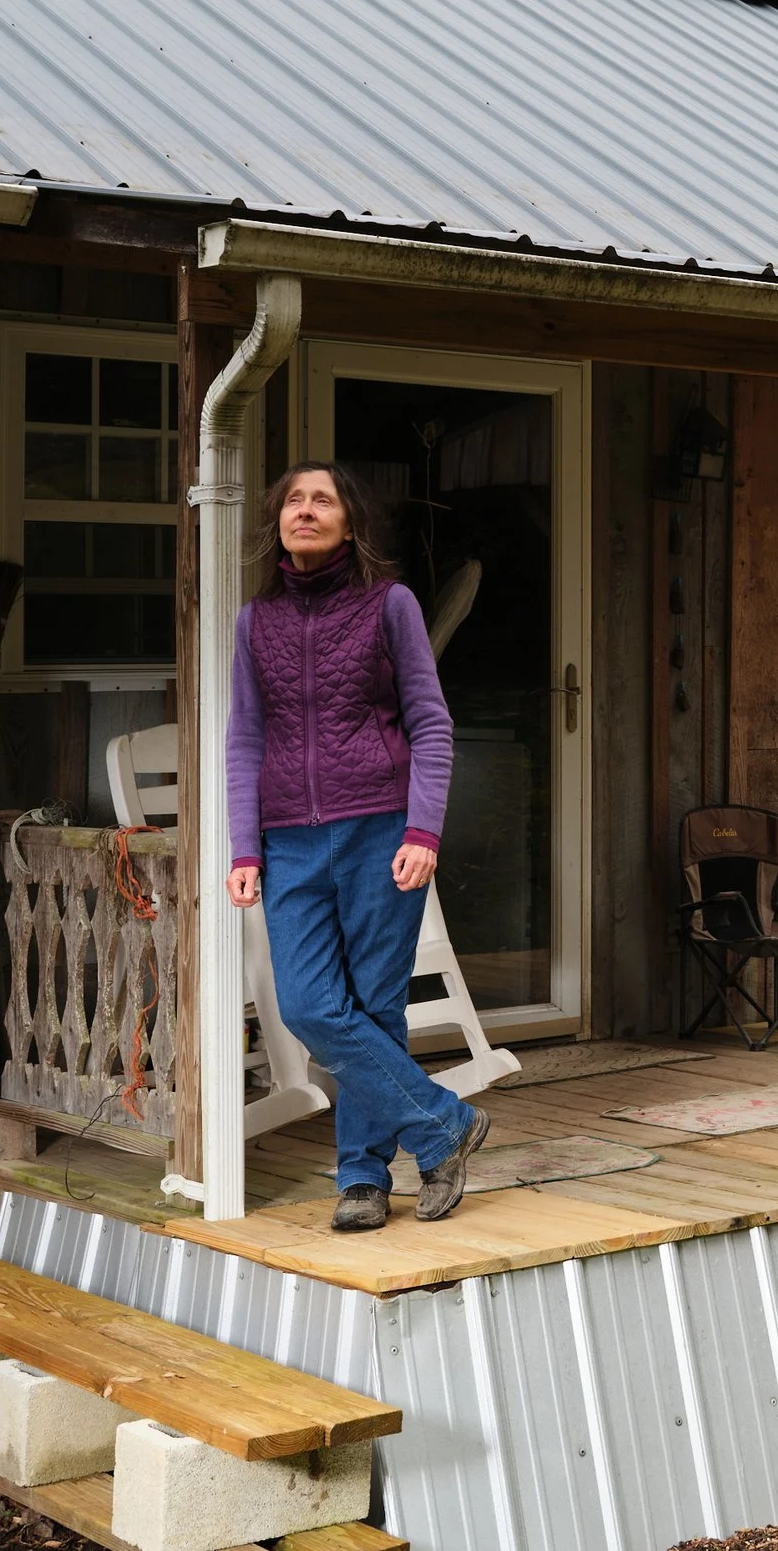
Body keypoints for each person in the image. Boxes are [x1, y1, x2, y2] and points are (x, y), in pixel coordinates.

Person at [223, 463, 489, 1232]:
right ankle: (444, 1125)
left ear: (349, 522)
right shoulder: (255, 622)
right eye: (293, 501)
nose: (304, 510)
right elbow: (246, 738)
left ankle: (362, 1179)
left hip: (381, 829)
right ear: (278, 520)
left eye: (322, 499)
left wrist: (423, 829)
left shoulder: (390, 605)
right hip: (290, 844)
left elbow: (431, 723)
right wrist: (246, 847)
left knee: (374, 1007)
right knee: (310, 1004)